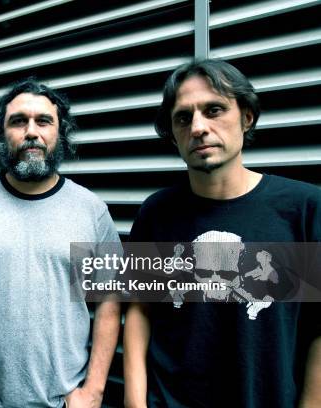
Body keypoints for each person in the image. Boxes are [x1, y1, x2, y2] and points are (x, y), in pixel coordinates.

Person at [123, 59, 321, 407]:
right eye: (183, 117)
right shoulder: (155, 212)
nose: (198, 127)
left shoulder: (305, 208)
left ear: (247, 117)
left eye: (213, 110)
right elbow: (140, 312)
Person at [0, 78, 121, 408]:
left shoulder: (90, 211)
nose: (31, 132)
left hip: (65, 401)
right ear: (2, 133)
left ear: (59, 132)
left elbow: (109, 301)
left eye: (43, 121)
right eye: (18, 121)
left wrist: (93, 391)